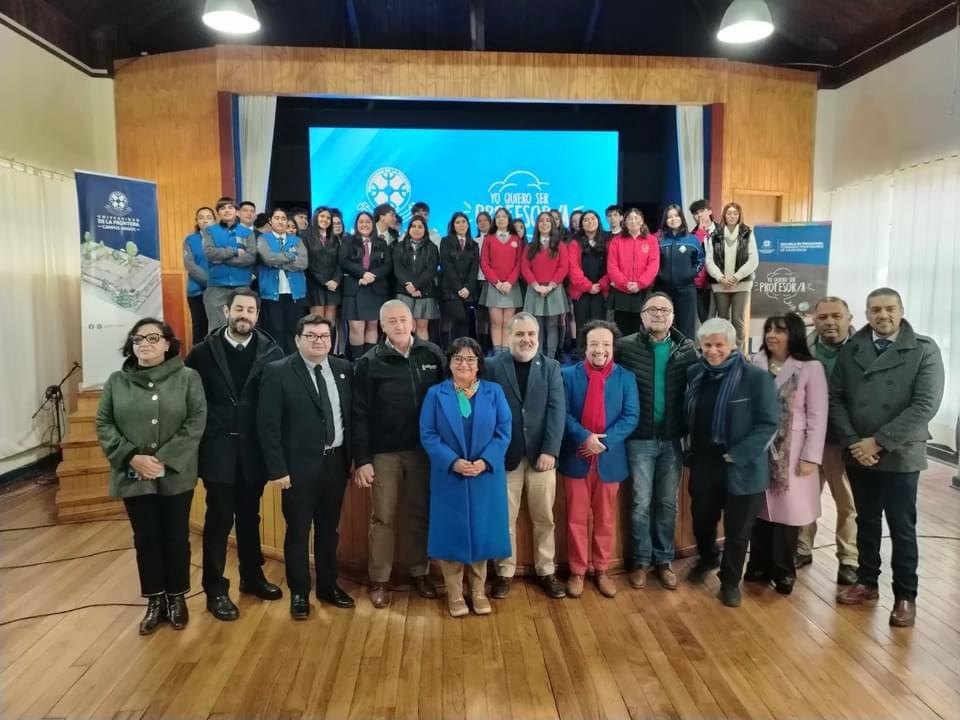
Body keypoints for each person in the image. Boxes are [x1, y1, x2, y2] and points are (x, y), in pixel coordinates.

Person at [831, 288, 945, 627]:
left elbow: (925, 405)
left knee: (901, 526)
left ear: (901, 310)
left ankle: (905, 596)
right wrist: (854, 443)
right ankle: (867, 582)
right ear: (866, 314)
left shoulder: (923, 349)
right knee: (866, 521)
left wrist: (877, 442)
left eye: (890, 309)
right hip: (858, 455)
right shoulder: (852, 349)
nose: (883, 315)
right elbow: (836, 399)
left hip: (901, 453)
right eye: (876, 310)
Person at [95, 319, 206, 634]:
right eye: (138, 338)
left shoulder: (188, 378)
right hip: (133, 475)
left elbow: (197, 420)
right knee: (146, 540)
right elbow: (104, 423)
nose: (145, 343)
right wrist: (132, 456)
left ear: (168, 344)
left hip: (175, 474)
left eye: (153, 338)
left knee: (175, 538)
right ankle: (155, 600)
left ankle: (177, 598)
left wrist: (164, 460)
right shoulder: (117, 381)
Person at [185, 288, 284, 621]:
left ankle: (252, 578)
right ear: (226, 311)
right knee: (218, 520)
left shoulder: (273, 352)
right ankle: (215, 588)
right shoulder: (200, 353)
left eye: (251, 310)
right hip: (218, 450)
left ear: (258, 315)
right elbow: (192, 404)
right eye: (239, 309)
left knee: (250, 517)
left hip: (253, 452)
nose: (245, 315)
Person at [258, 315, 355, 619]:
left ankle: (328, 586)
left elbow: (350, 417)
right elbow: (268, 426)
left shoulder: (343, 369)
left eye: (324, 336)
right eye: (311, 336)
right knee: (298, 532)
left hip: (336, 464)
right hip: (297, 469)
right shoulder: (278, 372)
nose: (318, 341)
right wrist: (277, 470)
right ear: (297, 339)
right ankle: (299, 592)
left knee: (329, 531)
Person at [352, 300, 445, 608]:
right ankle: (379, 579)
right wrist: (362, 459)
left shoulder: (432, 354)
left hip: (424, 452)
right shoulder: (368, 362)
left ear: (413, 321)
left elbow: (448, 399)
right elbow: (359, 414)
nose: (399, 325)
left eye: (403, 319)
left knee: (419, 514)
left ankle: (420, 572)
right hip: (384, 454)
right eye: (392, 321)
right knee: (383, 518)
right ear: (382, 326)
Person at [685, 318, 778, 608]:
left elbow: (769, 423)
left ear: (733, 344)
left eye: (719, 345)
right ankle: (708, 557)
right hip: (703, 463)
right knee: (702, 520)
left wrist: (736, 454)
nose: (712, 351)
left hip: (742, 466)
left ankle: (730, 582)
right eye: (707, 345)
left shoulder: (756, 377)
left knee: (738, 531)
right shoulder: (694, 373)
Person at [420, 337, 512, 616]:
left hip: (485, 477)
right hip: (450, 477)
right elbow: (428, 433)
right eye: (458, 358)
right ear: (449, 363)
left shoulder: (494, 392)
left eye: (470, 359)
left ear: (479, 365)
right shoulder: (436, 394)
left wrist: (485, 462)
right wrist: (452, 462)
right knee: (452, 537)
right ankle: (455, 594)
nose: (464, 364)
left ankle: (478, 591)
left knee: (481, 535)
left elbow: (504, 430)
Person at [616, 292, 697, 591]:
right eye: (652, 310)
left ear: (674, 317)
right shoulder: (624, 346)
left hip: (673, 440)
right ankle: (641, 561)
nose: (659, 314)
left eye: (665, 310)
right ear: (642, 316)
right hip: (639, 440)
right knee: (639, 503)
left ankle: (663, 560)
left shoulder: (687, 349)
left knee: (667, 502)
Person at [485, 313, 567, 599]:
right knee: (504, 519)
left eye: (531, 334)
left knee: (544, 518)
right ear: (508, 337)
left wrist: (550, 451)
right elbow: (485, 410)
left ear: (538, 337)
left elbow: (558, 412)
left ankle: (547, 571)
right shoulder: (492, 366)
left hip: (542, 459)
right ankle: (504, 572)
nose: (526, 339)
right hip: (504, 459)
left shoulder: (551, 367)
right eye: (520, 334)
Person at [746, 313, 828, 595]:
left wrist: (810, 457)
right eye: (769, 329)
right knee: (758, 510)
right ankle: (756, 565)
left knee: (787, 514)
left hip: (792, 452)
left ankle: (783, 570)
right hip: (757, 448)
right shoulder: (754, 362)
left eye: (779, 330)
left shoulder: (809, 367)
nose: (771, 334)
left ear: (793, 334)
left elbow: (818, 416)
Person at [560, 321, 639, 598]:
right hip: (576, 457)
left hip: (609, 459)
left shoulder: (625, 378)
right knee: (576, 519)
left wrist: (602, 443)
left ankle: (601, 569)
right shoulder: (567, 375)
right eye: (594, 343)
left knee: (605, 519)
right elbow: (564, 413)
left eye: (606, 344)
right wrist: (585, 437)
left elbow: (631, 416)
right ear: (585, 346)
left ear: (613, 347)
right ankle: (578, 571)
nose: (600, 349)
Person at [794, 296, 858, 585]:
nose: (830, 322)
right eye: (823, 317)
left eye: (836, 316)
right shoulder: (801, 351)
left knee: (846, 502)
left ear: (849, 318)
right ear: (814, 320)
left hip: (843, 441)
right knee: (805, 498)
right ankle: (801, 548)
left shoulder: (864, 351)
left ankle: (849, 559)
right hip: (807, 439)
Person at [705, 202, 758, 348]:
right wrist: (720, 278)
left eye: (735, 213)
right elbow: (709, 261)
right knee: (723, 320)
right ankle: (725, 351)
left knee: (737, 320)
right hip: (720, 284)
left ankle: (739, 354)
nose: (732, 216)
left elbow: (754, 260)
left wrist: (736, 277)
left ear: (739, 215)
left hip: (741, 284)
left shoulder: (747, 233)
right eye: (729, 213)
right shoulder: (715, 235)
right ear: (724, 215)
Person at [256, 208, 308, 355]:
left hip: (294, 293)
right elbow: (268, 258)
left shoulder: (297, 240)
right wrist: (290, 256)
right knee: (275, 330)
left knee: (294, 330)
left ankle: (293, 362)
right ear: (270, 221)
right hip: (272, 293)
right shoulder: (263, 239)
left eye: (283, 218)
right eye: (277, 218)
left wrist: (278, 262)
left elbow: (303, 263)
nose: (281, 221)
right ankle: (276, 362)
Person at [340, 211, 391, 360]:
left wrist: (372, 276)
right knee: (356, 327)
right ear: (356, 225)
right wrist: (362, 274)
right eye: (361, 222)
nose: (364, 224)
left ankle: (370, 362)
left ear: (373, 224)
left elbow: (387, 265)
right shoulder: (348, 241)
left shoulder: (381, 242)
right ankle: (357, 362)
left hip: (375, 289)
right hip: (355, 288)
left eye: (367, 221)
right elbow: (344, 262)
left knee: (372, 325)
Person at [202, 197, 257, 332]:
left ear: (237, 212)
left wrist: (223, 258)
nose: (226, 211)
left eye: (230, 207)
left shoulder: (247, 233)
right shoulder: (210, 231)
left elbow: (250, 258)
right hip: (216, 287)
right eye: (222, 208)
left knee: (241, 327)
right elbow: (210, 253)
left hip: (242, 286)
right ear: (218, 213)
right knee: (216, 330)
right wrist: (234, 251)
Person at [606, 207, 660, 337]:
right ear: (624, 222)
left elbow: (653, 265)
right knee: (622, 328)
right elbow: (612, 266)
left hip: (642, 291)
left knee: (642, 328)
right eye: (629, 218)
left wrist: (639, 284)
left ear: (642, 221)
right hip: (622, 292)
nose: (633, 221)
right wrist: (625, 283)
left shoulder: (651, 240)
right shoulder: (616, 241)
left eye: (636, 217)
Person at [522, 212, 569, 360]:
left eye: (547, 221)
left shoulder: (560, 245)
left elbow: (563, 267)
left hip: (553, 289)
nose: (544, 223)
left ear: (552, 224)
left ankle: (550, 359)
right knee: (537, 327)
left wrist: (550, 286)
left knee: (552, 325)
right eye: (541, 221)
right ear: (537, 225)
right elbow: (525, 267)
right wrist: (536, 286)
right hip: (535, 289)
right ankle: (538, 358)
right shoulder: (530, 246)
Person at [655, 204, 703, 341]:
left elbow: (700, 261)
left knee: (686, 329)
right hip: (663, 290)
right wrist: (660, 275)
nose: (673, 219)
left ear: (682, 218)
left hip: (686, 290)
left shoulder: (692, 240)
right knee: (663, 327)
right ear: (665, 220)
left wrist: (690, 274)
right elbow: (653, 262)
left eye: (676, 216)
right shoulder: (659, 240)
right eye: (669, 217)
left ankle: (686, 359)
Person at [480, 207, 523, 354]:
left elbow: (519, 263)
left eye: (504, 216)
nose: (501, 219)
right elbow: (484, 263)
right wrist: (497, 283)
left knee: (508, 322)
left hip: (511, 286)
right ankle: (497, 353)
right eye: (498, 217)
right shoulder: (489, 239)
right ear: (495, 221)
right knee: (496, 322)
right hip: (494, 286)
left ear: (508, 219)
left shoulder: (516, 239)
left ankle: (506, 352)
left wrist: (509, 282)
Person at [393, 215, 440, 341]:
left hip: (424, 291)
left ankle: (422, 356)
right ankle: (407, 356)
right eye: (413, 226)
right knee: (407, 326)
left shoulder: (432, 248)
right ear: (408, 229)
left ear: (425, 229)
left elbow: (431, 270)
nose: (416, 229)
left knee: (422, 327)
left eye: (420, 226)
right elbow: (398, 269)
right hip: (404, 291)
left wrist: (417, 286)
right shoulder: (399, 246)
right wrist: (409, 285)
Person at [438, 212, 480, 347]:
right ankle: (451, 350)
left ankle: (463, 350)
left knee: (465, 321)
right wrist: (459, 288)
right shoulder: (445, 241)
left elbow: (474, 269)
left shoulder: (473, 245)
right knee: (459, 317)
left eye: (464, 222)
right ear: (453, 226)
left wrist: (467, 287)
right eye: (458, 222)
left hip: (468, 291)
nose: (461, 225)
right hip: (450, 289)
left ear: (468, 225)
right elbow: (446, 266)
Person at [567, 210, 609, 337]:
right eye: (586, 220)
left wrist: (600, 285)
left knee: (599, 325)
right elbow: (573, 268)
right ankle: (581, 353)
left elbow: (611, 267)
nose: (590, 222)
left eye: (593, 219)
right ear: (581, 224)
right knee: (582, 326)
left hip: (601, 291)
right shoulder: (575, 243)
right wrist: (588, 286)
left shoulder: (608, 241)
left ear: (598, 222)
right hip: (581, 292)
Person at [303, 206, 343, 334]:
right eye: (322, 216)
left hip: (333, 286)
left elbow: (340, 262)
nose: (325, 220)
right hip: (315, 284)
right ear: (315, 217)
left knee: (329, 324)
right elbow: (307, 262)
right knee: (317, 324)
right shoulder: (306, 236)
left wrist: (335, 281)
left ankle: (327, 352)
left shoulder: (334, 238)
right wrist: (324, 282)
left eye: (328, 218)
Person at [183, 206, 215, 345]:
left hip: (217, 291)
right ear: (197, 221)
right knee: (200, 328)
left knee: (216, 328)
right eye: (201, 218)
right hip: (196, 291)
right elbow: (189, 264)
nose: (205, 221)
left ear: (214, 220)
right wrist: (210, 281)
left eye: (209, 217)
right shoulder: (190, 240)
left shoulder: (221, 239)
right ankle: (198, 363)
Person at [689, 199, 715, 324]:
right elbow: (693, 255)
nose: (699, 215)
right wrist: (700, 233)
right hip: (700, 284)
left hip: (720, 281)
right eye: (695, 213)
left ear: (710, 211)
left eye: (702, 211)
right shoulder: (691, 235)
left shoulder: (722, 230)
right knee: (704, 318)